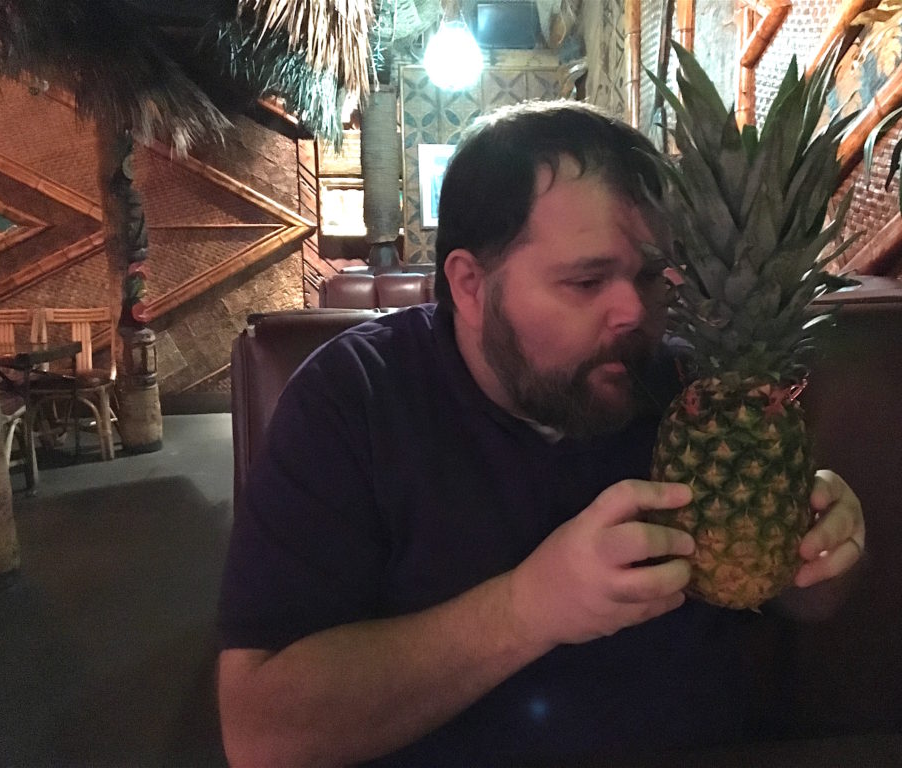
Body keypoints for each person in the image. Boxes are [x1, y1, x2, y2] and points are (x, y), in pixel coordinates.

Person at [217, 100, 865, 767]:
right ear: (470, 286)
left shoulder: (700, 395)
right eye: (586, 281)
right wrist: (527, 610)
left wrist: (821, 553)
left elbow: (803, 605)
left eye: (649, 275)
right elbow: (262, 735)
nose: (635, 311)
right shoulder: (354, 400)